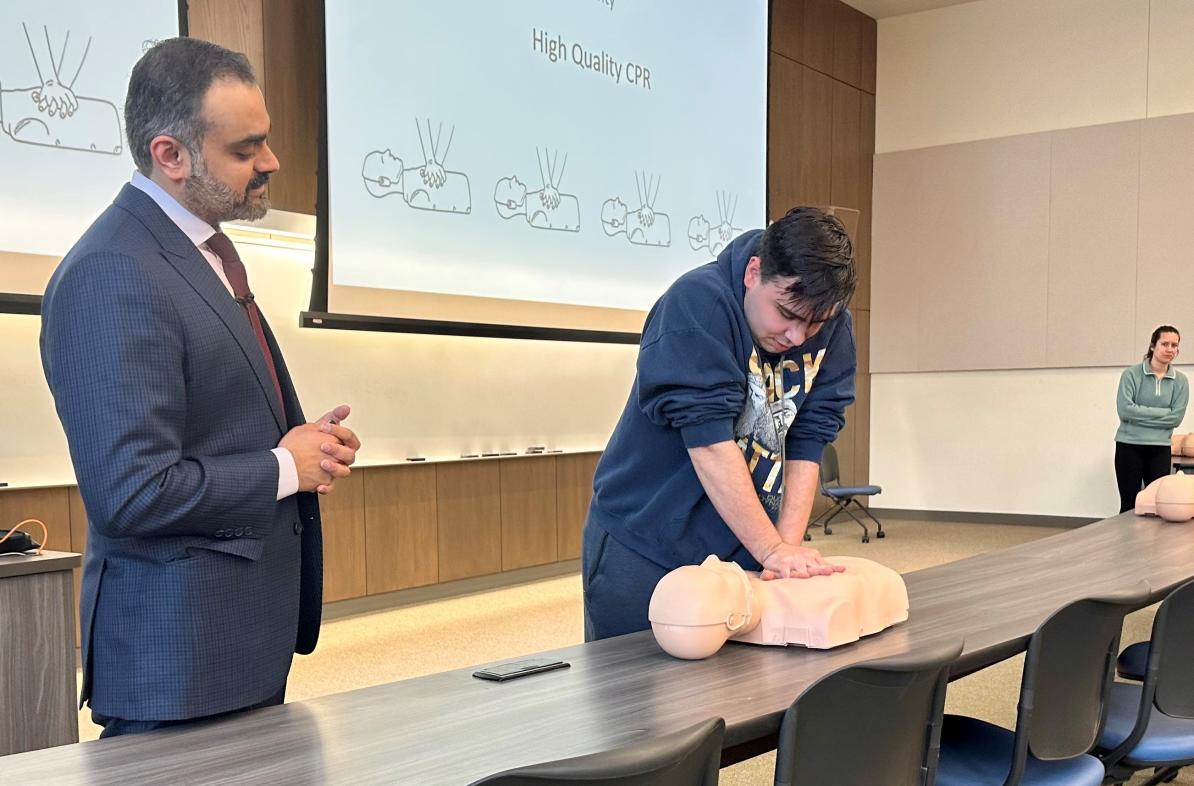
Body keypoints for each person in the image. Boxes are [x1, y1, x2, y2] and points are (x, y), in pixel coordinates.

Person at [39, 38, 360, 738]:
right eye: (247, 150)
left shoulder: (200, 247)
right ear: (171, 155)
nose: (272, 163)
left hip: (232, 646)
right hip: (176, 665)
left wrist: (306, 449)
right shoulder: (113, 274)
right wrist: (283, 468)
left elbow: (216, 427)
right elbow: (131, 490)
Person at [582, 206, 857, 641]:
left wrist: (781, 553)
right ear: (753, 273)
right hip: (648, 541)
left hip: (741, 545)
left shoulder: (832, 326)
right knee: (633, 698)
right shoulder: (696, 305)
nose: (797, 337)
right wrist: (771, 549)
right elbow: (710, 443)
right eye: (786, 313)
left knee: (737, 698)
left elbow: (810, 437)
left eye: (815, 322)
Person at [1115, 326, 1188, 513]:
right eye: (1165, 344)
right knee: (1129, 504)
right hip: (1129, 446)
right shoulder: (1131, 375)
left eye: (1174, 345)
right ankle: (1127, 542)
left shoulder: (1180, 381)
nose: (1170, 349)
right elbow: (1125, 411)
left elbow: (1176, 418)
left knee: (1157, 505)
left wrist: (1139, 416)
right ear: (1153, 346)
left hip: (1160, 449)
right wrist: (1163, 412)